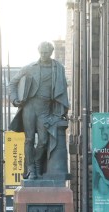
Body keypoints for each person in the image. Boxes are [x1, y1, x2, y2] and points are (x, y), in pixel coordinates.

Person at [8, 41, 69, 179]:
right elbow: (12, 83)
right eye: (41, 52)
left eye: (46, 53)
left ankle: (35, 164)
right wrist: (15, 99)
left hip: (45, 108)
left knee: (43, 140)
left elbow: (63, 89)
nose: (43, 55)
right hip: (29, 106)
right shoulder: (30, 67)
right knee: (29, 139)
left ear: (51, 52)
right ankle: (32, 170)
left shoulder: (58, 68)